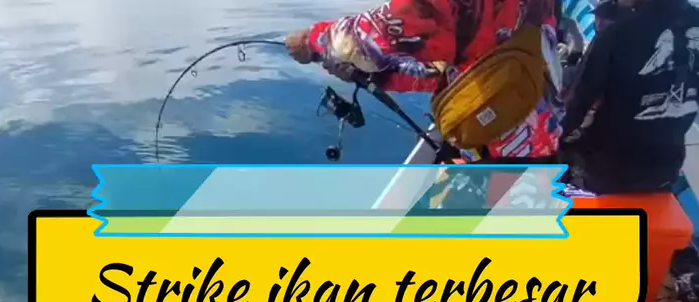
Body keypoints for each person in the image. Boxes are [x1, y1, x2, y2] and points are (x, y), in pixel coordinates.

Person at [284, 0, 563, 163]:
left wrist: (311, 40)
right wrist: (379, 76)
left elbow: (361, 42)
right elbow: (458, 57)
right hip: (543, 132)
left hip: (501, 151)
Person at [559, 0, 699, 195]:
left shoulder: (619, 33)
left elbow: (579, 102)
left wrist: (559, 142)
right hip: (667, 166)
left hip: (611, 168)